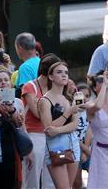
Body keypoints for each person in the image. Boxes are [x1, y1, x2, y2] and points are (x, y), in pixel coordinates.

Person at [38, 61, 83, 189]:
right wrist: (69, 111)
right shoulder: (44, 100)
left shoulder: (69, 98)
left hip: (73, 143)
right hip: (55, 145)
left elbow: (74, 125)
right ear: (51, 77)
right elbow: (48, 128)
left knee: (70, 186)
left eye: (66, 73)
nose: (64, 75)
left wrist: (58, 130)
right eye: (59, 72)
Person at [22, 52, 60, 189]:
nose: (61, 75)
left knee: (51, 178)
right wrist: (52, 109)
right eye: (58, 71)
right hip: (34, 135)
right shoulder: (29, 86)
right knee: (32, 175)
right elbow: (38, 114)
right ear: (51, 73)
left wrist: (43, 105)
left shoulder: (55, 88)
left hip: (52, 134)